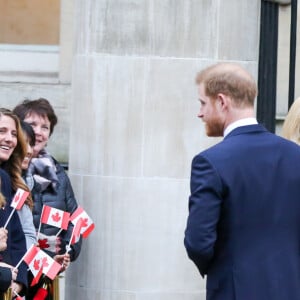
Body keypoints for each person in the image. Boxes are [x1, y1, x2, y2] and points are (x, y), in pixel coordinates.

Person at [184, 62, 300, 300]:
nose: (200, 113)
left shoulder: (210, 162)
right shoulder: (295, 155)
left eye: (203, 103)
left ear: (222, 101)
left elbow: (198, 242)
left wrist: (224, 270)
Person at [13, 99, 81, 299]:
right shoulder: (9, 170)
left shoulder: (58, 173)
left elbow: (74, 218)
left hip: (47, 272)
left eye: (45, 127)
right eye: (32, 125)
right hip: (16, 269)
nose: (39, 132)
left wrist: (68, 251)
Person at [0, 108, 29, 296]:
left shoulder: (4, 178)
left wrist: (18, 282)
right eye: (2, 131)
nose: (10, 139)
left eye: (13, 134)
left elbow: (17, 238)